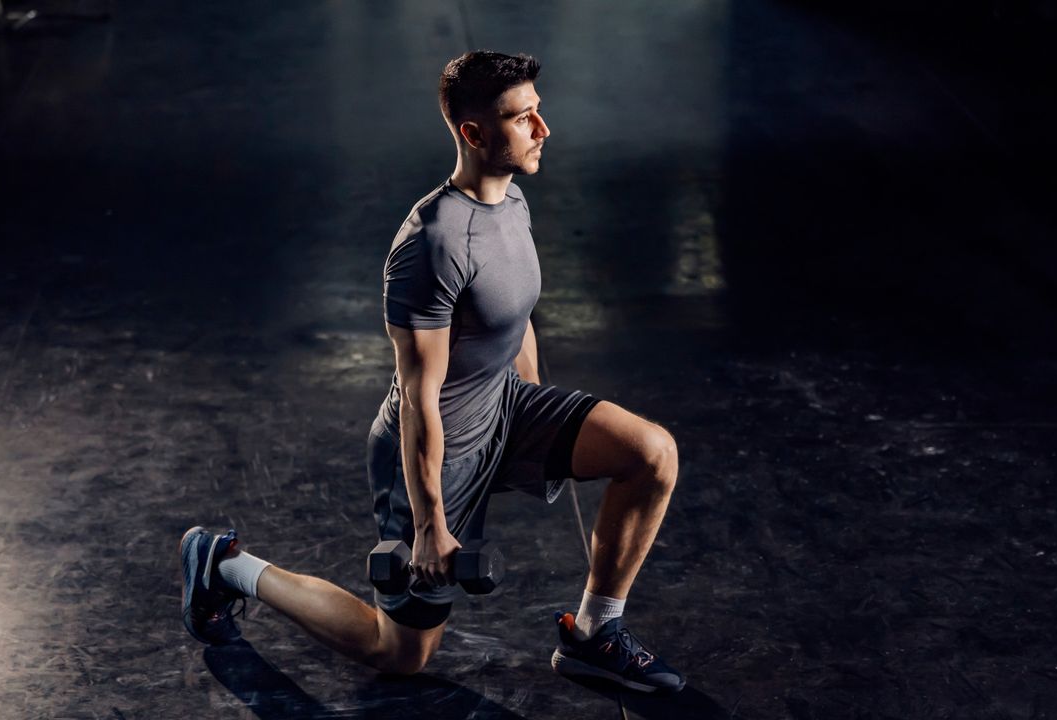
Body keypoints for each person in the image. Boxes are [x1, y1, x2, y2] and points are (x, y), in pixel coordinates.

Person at [180, 50, 685, 693]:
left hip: (504, 406)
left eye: (538, 111)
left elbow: (515, 318)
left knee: (652, 453)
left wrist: (534, 420)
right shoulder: (431, 243)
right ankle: (225, 566)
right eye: (522, 117)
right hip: (434, 446)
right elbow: (420, 397)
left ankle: (593, 635)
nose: (543, 129)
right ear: (473, 133)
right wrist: (429, 526)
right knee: (401, 654)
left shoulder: (515, 203)